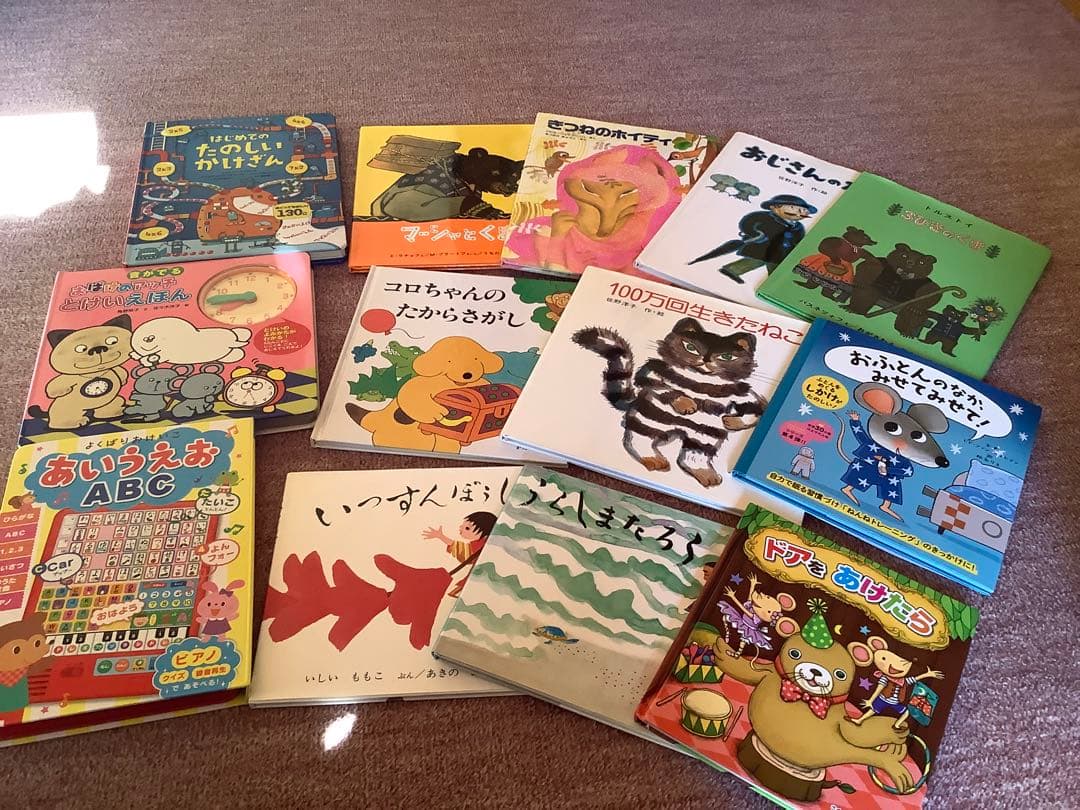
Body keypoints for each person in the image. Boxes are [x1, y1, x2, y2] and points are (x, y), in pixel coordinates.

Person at [689, 194, 816, 284]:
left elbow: (799, 239)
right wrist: (754, 233)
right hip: (762, 246)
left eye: (803, 211)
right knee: (756, 261)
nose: (799, 212)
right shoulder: (763, 216)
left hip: (781, 252)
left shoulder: (798, 227)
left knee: (774, 265)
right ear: (774, 207)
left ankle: (770, 282)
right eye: (793, 208)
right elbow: (747, 223)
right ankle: (731, 270)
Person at [422, 511, 498, 596]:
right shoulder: (480, 544)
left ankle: (454, 593)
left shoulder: (481, 545)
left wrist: (442, 537)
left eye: (467, 528)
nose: (461, 528)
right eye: (462, 525)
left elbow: (466, 553)